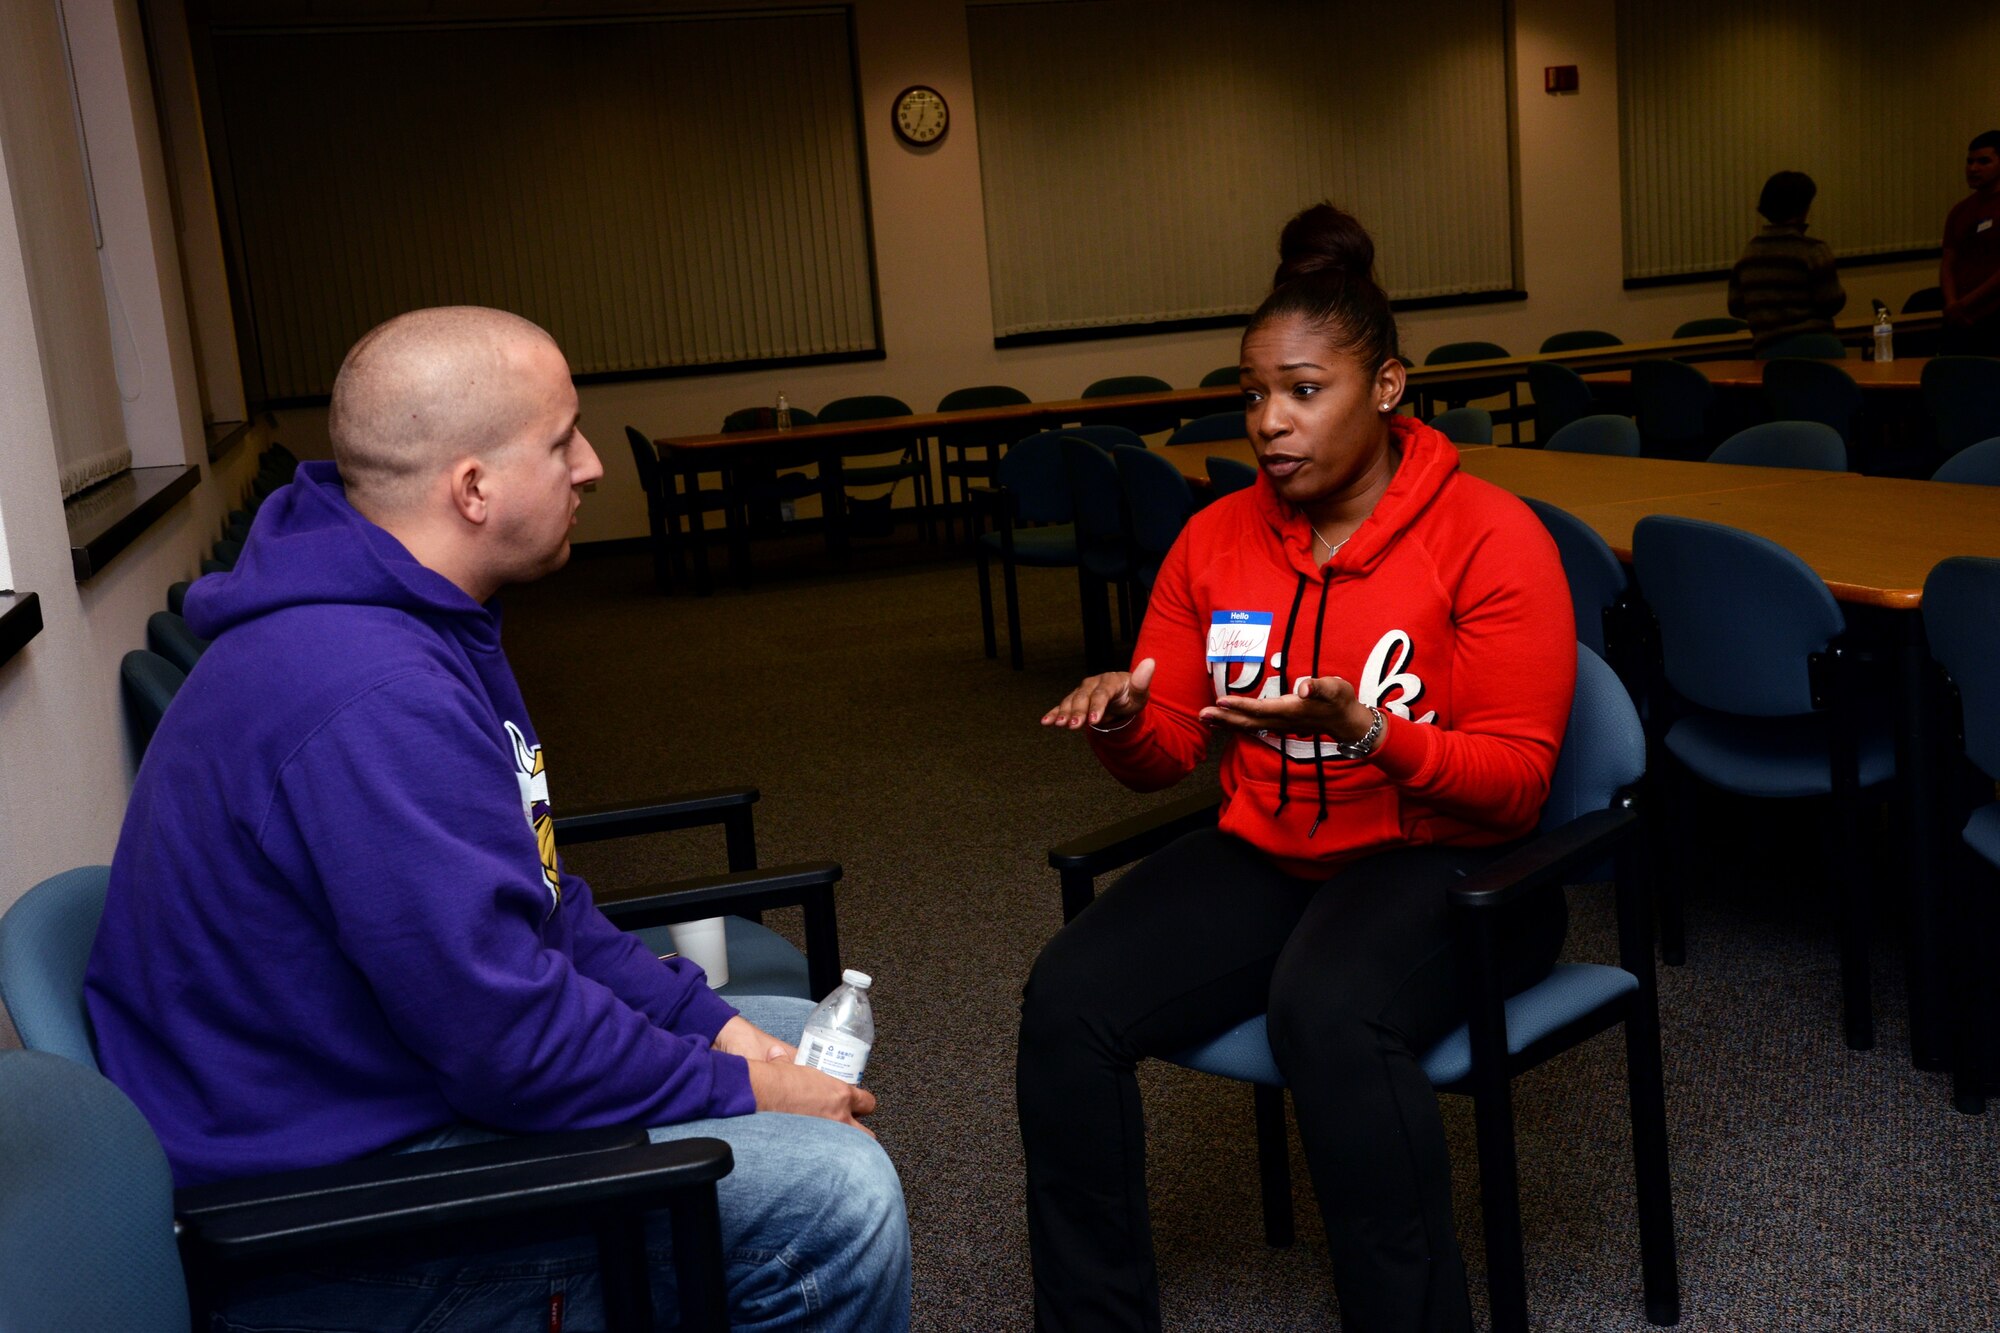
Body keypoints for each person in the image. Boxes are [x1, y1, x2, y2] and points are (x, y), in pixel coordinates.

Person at [85, 307, 909, 1331]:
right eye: (562, 440)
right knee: (836, 1196)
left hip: (384, 1089)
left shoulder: (417, 618)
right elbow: (506, 1041)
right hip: (337, 1214)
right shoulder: (371, 691)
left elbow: (544, 912)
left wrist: (719, 1030)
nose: (594, 466)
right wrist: (745, 1093)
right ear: (471, 488)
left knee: (786, 1033)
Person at [1017, 204, 1576, 1333]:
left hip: (1455, 870)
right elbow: (1169, 749)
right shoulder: (1214, 539)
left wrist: (1365, 730)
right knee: (1065, 999)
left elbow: (1515, 787)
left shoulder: (1489, 534)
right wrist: (1126, 718)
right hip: (1275, 850)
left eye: (1302, 390)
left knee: (1324, 1011)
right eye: (1252, 393)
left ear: (1385, 388)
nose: (1269, 422)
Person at [1726, 170, 1846, 355]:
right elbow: (1832, 302)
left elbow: (1736, 305)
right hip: (1818, 348)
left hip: (1768, 351)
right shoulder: (1813, 250)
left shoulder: (1749, 254)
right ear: (1803, 208)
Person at [1941, 130, 2000, 355]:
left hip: (1993, 314)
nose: (1973, 168)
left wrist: (1965, 303)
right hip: (1959, 317)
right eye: (1969, 161)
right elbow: (1948, 261)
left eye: (1983, 161)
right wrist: (1951, 303)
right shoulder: (1960, 210)